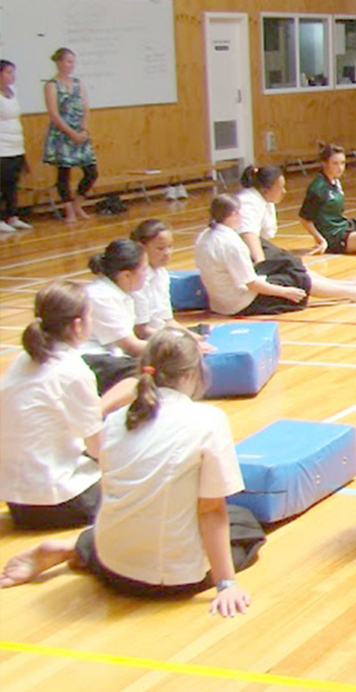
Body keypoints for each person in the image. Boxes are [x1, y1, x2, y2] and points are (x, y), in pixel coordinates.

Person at [0, 330, 262, 616]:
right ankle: (76, 548)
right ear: (190, 375)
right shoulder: (208, 420)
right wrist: (226, 584)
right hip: (165, 580)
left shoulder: (116, 419)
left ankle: (77, 547)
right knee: (244, 524)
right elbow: (211, 510)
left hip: (109, 562)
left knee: (136, 508)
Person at [0, 282, 104, 529]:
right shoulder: (73, 371)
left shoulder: (23, 360)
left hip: (17, 503)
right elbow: (99, 449)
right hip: (62, 502)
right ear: (78, 325)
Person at [197, 194, 356, 316]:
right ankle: (350, 292)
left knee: (288, 263)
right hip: (239, 303)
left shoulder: (204, 236)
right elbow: (251, 284)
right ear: (233, 214)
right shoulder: (231, 244)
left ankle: (343, 285)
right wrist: (285, 292)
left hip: (220, 300)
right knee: (297, 280)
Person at [79, 238, 149, 395]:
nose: (146, 274)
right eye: (144, 269)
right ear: (126, 275)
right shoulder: (100, 296)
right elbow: (132, 346)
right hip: (92, 360)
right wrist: (177, 348)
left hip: (111, 356)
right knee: (152, 371)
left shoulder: (122, 292)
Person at [129, 218, 208, 351]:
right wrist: (183, 342)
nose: (167, 253)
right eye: (160, 248)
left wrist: (193, 337)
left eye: (170, 247)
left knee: (205, 332)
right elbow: (141, 330)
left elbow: (167, 320)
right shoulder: (138, 280)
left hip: (163, 333)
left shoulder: (162, 274)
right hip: (149, 341)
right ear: (142, 248)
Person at [299, 144, 356, 254]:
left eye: (342, 163)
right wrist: (321, 240)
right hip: (335, 238)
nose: (340, 168)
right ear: (324, 164)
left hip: (345, 226)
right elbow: (304, 219)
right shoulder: (318, 188)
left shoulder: (335, 181)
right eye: (335, 163)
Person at [42, 48, 96, 223]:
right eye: (67, 61)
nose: (71, 65)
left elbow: (86, 108)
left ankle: (78, 203)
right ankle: (68, 210)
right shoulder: (52, 85)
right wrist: (71, 133)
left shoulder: (78, 83)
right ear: (59, 62)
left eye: (73, 61)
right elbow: (54, 113)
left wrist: (84, 131)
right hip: (62, 132)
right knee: (64, 173)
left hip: (79, 131)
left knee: (91, 172)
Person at [236, 164, 294, 263]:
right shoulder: (248, 201)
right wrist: (261, 263)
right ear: (265, 190)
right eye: (280, 188)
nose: (284, 191)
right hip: (238, 253)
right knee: (289, 263)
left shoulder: (267, 200)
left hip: (252, 248)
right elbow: (248, 234)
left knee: (291, 261)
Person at [0, 59, 32, 233]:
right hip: (1, 148)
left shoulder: (13, 92)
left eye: (13, 72)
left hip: (15, 145)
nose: (13, 76)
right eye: (8, 72)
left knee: (12, 183)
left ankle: (12, 216)